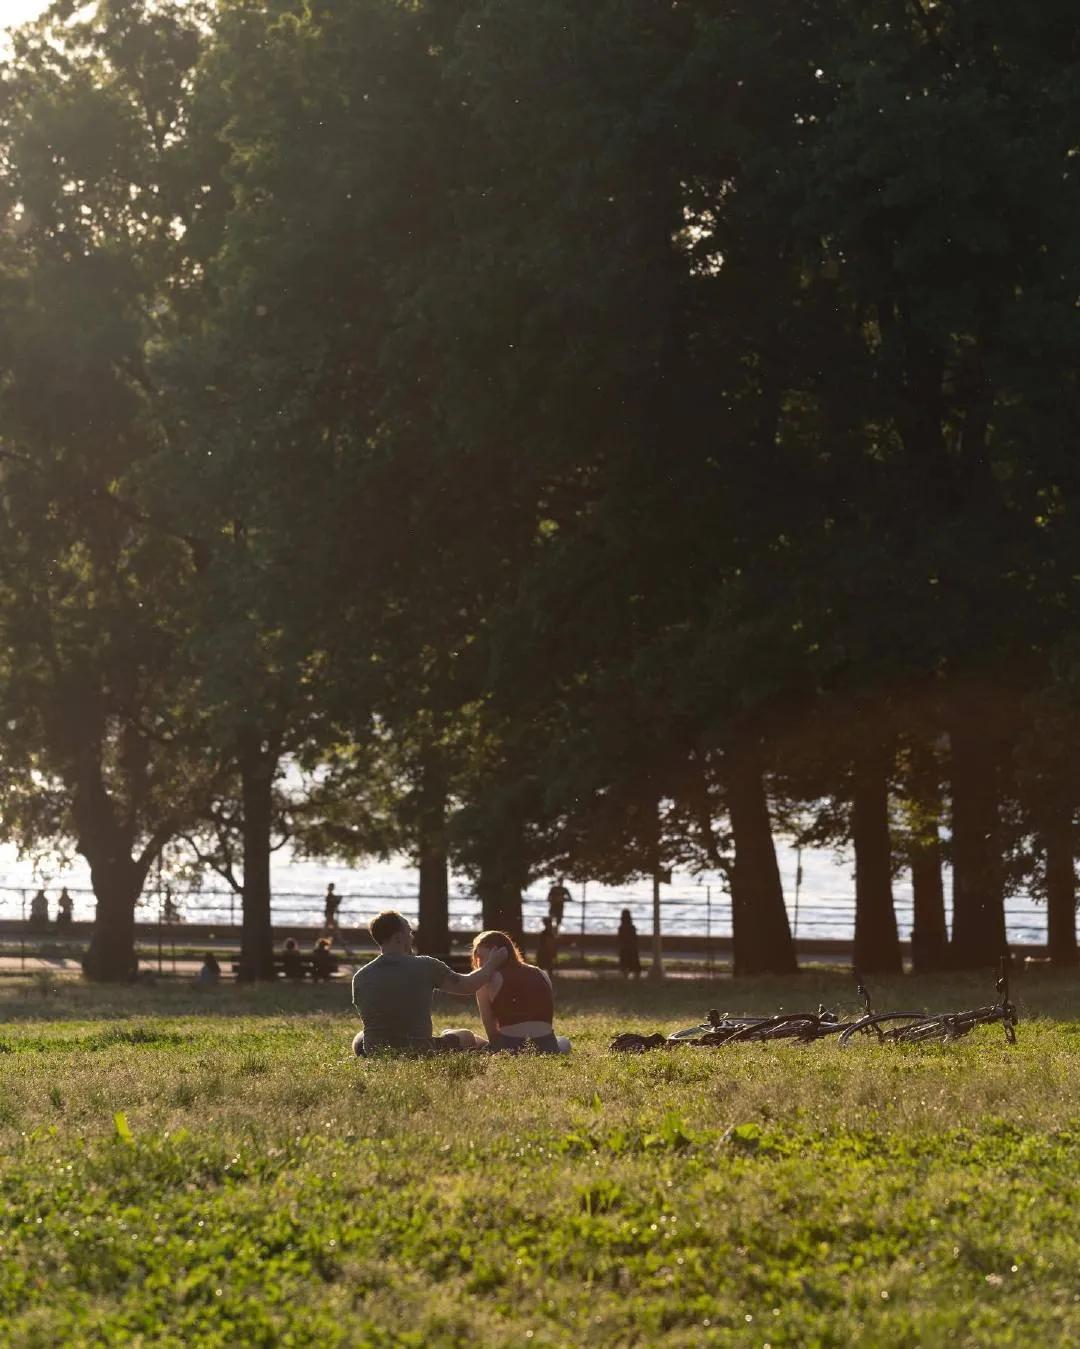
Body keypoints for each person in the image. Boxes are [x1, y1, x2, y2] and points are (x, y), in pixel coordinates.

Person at [351, 910, 507, 1055]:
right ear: (398, 938)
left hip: (375, 1052)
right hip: (419, 1051)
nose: (412, 937)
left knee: (361, 1036)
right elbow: (467, 985)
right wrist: (492, 963)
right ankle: (495, 1052)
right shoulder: (425, 966)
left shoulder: (360, 977)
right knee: (466, 1036)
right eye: (409, 932)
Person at [472, 929, 565, 1054]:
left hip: (511, 1048)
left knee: (468, 1038)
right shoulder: (541, 973)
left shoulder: (486, 981)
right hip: (548, 1047)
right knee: (564, 1041)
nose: (480, 963)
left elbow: (492, 1034)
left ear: (496, 952)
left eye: (481, 957)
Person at [618, 908, 641, 978]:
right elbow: (635, 938)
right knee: (635, 966)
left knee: (624, 965)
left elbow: (620, 939)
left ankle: (625, 977)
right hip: (632, 949)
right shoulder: (632, 927)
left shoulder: (621, 928)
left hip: (624, 949)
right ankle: (636, 978)